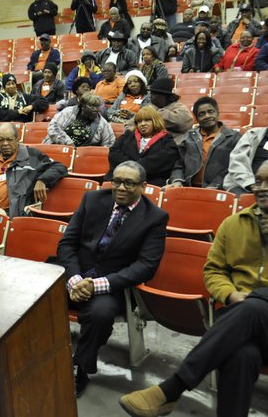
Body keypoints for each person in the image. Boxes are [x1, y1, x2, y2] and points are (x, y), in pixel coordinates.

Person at [120, 158, 268, 417]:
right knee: (241, 354)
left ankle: (172, 389)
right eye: (258, 181)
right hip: (242, 319)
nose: (262, 187)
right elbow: (214, 270)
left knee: (256, 305)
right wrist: (230, 294)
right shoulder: (235, 223)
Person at [58, 160, 168, 396]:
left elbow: (146, 266)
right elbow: (67, 243)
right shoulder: (93, 200)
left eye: (129, 183)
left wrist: (97, 285)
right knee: (35, 293)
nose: (120, 187)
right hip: (76, 272)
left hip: (112, 283)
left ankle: (81, 368)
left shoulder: (155, 218)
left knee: (100, 314)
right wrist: (75, 279)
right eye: (117, 181)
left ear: (143, 186)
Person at [0, 123, 67, 217]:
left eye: (9, 140)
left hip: (17, 214)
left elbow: (59, 167)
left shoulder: (31, 155)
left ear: (17, 140)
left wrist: (42, 180)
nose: (5, 144)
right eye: (1, 140)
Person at [167, 97, 242, 188]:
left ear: (217, 113)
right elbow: (179, 164)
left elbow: (234, 168)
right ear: (197, 119)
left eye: (210, 112)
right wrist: (177, 180)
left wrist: (215, 186)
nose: (207, 116)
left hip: (220, 189)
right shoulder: (188, 137)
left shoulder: (234, 138)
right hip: (188, 187)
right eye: (201, 114)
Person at [106, 106, 179, 185]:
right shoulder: (128, 135)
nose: (142, 124)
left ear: (155, 121)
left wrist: (136, 167)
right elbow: (114, 152)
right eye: (139, 121)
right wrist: (131, 167)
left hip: (151, 181)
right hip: (122, 177)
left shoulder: (166, 139)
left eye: (147, 120)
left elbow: (165, 158)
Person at [43, 92, 115, 147]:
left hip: (83, 157)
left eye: (97, 106)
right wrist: (68, 143)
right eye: (91, 106)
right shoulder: (68, 112)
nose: (96, 110)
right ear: (82, 106)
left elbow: (109, 143)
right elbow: (53, 128)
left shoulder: (102, 122)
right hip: (58, 147)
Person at [148, 78, 193, 144]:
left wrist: (155, 114)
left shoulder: (178, 107)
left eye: (154, 94)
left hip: (175, 145)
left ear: (163, 96)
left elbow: (183, 122)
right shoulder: (150, 107)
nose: (151, 97)